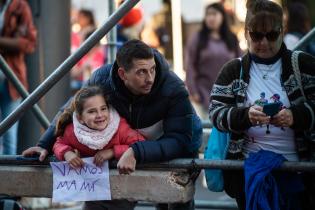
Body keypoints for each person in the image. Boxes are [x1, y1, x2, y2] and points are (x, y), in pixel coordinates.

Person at [23, 39, 203, 210]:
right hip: (128, 146)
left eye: (153, 69)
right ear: (122, 74)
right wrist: (43, 145)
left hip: (179, 146)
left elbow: (179, 140)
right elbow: (73, 108)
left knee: (173, 201)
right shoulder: (102, 79)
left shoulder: (173, 88)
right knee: (118, 200)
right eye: (141, 72)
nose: (150, 78)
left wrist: (136, 151)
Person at [209, 0, 315, 209]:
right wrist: (246, 116)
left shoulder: (304, 64)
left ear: (282, 30)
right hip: (250, 177)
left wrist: (296, 116)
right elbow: (216, 114)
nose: (264, 43)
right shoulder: (233, 70)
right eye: (257, 35)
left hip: (299, 176)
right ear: (247, 32)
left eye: (272, 35)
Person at [53, 86, 145, 209]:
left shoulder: (119, 128)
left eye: (103, 109)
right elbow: (58, 143)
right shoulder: (73, 132)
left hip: (122, 189)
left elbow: (141, 144)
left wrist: (113, 151)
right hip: (93, 191)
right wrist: (66, 153)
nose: (100, 115)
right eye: (92, 111)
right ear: (80, 118)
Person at [184, 2, 242, 120]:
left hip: (228, 95)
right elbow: (190, 66)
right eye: (208, 14)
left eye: (214, 14)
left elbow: (240, 64)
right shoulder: (198, 38)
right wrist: (193, 91)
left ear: (222, 16)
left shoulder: (232, 38)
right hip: (203, 94)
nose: (210, 18)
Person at [0, 0, 37, 154]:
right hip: (10, 76)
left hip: (11, 77)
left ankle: (7, 177)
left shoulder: (19, 6)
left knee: (9, 134)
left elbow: (29, 43)